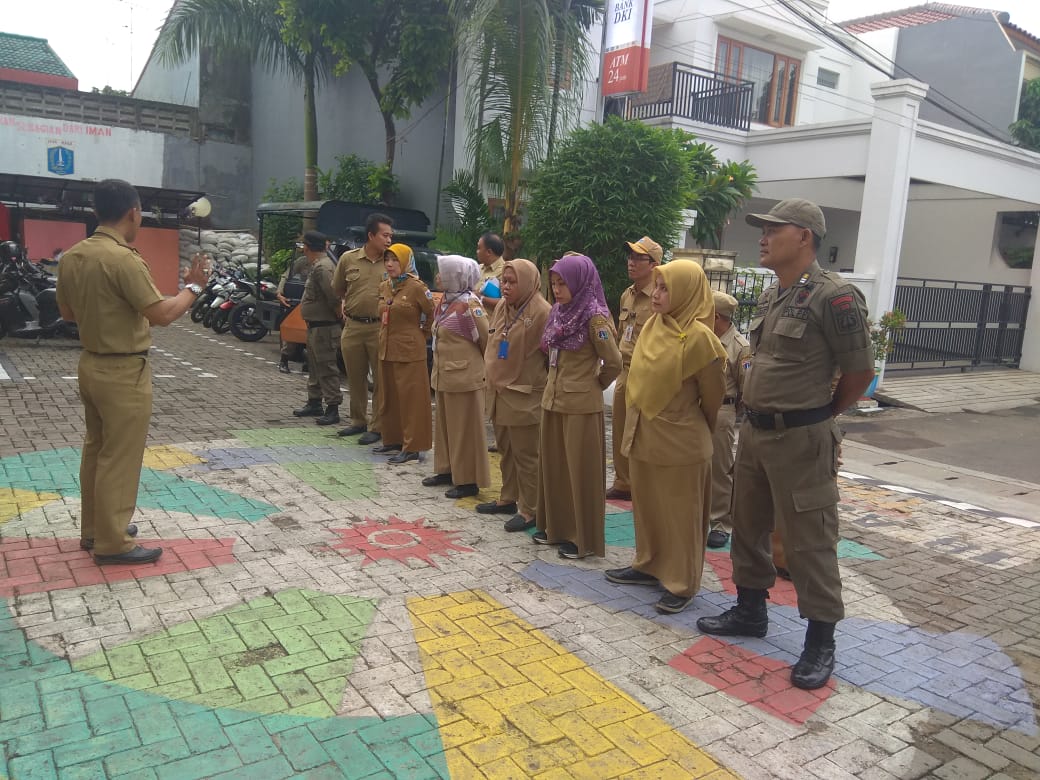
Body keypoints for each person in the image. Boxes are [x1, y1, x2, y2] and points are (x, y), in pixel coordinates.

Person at [696, 198, 874, 690]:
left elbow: (860, 372)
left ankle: (820, 641)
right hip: (755, 433)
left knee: (809, 540)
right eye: (764, 229)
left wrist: (821, 415)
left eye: (775, 229)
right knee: (748, 525)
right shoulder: (775, 294)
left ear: (804, 236)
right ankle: (750, 610)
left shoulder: (835, 297)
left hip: (802, 438)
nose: (764, 236)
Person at [55, 178, 210, 565]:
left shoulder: (73, 256)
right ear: (134, 212)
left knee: (96, 450)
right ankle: (113, 543)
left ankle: (95, 529)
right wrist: (193, 288)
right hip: (123, 369)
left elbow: (67, 313)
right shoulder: (123, 259)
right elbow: (162, 314)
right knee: (120, 457)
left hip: (90, 364)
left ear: (97, 211)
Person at [605, 260, 726, 613]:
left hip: (681, 442)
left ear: (687, 293)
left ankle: (681, 582)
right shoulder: (654, 326)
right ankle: (648, 563)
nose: (656, 294)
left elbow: (713, 398)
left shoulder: (701, 339)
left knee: (681, 517)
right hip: (645, 434)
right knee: (649, 508)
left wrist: (686, 423)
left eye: (665, 288)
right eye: (656, 287)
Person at [534, 254, 623, 560]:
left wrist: (593, 384)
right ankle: (557, 528)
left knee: (580, 472)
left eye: (563, 283)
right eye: (554, 283)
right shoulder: (558, 312)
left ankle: (582, 538)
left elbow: (614, 362)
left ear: (580, 283)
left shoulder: (594, 318)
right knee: (556, 468)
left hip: (581, 405)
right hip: (553, 400)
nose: (557, 290)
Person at [476, 258, 551, 529]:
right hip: (499, 391)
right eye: (503, 282)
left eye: (512, 282)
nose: (505, 287)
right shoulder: (503, 307)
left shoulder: (542, 312)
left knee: (527, 455)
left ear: (528, 283)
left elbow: (549, 356)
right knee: (505, 449)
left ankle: (531, 509)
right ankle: (508, 497)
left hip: (524, 395)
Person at [423, 255, 491, 495]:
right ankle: (446, 469)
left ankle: (468, 480)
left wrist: (482, 371)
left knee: (465, 429)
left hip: (465, 377)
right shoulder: (445, 301)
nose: (438, 277)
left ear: (456, 276)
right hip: (444, 375)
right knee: (445, 426)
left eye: (443, 273)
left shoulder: (470, 305)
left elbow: (486, 340)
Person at [607, 235, 662, 501]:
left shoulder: (660, 297)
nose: (631, 262)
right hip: (625, 369)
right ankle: (623, 481)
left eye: (639, 258)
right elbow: (622, 333)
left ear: (654, 264)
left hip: (648, 373)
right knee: (620, 427)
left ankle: (643, 483)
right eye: (630, 257)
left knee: (643, 431)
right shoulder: (627, 295)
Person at [332, 213, 392, 444]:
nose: (389, 240)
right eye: (384, 235)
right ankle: (358, 421)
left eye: (390, 236)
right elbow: (338, 288)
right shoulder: (349, 259)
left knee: (380, 380)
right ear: (371, 235)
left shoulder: (393, 261)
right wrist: (347, 304)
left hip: (380, 328)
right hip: (353, 326)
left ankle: (378, 426)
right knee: (355, 377)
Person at [375, 243, 435, 463]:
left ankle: (413, 446)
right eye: (387, 260)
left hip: (410, 350)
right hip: (387, 347)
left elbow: (432, 313)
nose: (390, 264)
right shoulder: (385, 286)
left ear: (406, 262)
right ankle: (393, 439)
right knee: (389, 398)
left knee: (412, 400)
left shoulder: (416, 287)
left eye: (395, 260)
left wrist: (422, 334)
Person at [706, 290, 752, 549]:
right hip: (697, 408)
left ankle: (721, 522)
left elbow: (747, 388)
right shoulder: (702, 337)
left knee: (720, 468)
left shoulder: (739, 347)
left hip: (722, 410)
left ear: (716, 316)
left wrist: (733, 412)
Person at [291, 231, 343, 426]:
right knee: (314, 366)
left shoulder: (323, 268)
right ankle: (314, 402)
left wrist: (339, 316)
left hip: (325, 327)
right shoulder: (318, 265)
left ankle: (333, 407)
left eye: (303, 244)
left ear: (307, 247)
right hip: (316, 326)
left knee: (327, 366)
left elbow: (334, 297)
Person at [277, 253, 309, 374]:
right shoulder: (303, 261)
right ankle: (284, 360)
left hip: (318, 302)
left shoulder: (330, 262)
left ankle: (309, 362)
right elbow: (286, 275)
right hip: (301, 299)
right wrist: (280, 292)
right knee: (294, 332)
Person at [475, 232, 505, 312]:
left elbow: (505, 303)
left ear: (489, 252)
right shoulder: (478, 268)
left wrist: (480, 298)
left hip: (490, 319)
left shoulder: (505, 272)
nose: (477, 251)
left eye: (479, 248)